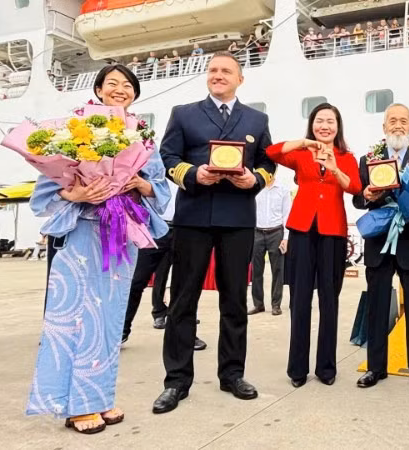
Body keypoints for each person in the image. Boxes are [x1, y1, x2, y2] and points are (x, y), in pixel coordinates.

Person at [26, 64, 171, 434]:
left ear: (134, 94)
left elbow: (161, 189)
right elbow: (45, 189)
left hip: (122, 234)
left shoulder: (142, 137)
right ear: (98, 90)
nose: (120, 90)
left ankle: (99, 397)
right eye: (112, 84)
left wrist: (138, 181)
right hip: (83, 233)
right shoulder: (75, 131)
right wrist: (77, 193)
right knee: (75, 315)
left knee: (108, 319)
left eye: (127, 85)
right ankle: (73, 405)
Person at [154, 51, 275, 414]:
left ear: (240, 79)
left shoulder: (257, 118)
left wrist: (256, 179)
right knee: (183, 300)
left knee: (235, 301)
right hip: (193, 216)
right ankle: (176, 381)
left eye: (226, 71)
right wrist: (193, 175)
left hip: (238, 218)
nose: (218, 75)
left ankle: (232, 374)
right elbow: (168, 157)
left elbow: (268, 162)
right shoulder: (184, 113)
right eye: (213, 71)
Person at [267, 103, 361, 388]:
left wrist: (333, 168)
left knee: (329, 300)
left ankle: (326, 367)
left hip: (333, 231)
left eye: (330, 121)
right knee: (299, 299)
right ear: (312, 125)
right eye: (319, 121)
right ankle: (297, 368)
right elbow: (272, 151)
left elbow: (354, 187)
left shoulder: (346, 157)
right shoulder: (301, 154)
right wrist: (307, 142)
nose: (325, 126)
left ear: (338, 126)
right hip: (302, 230)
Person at [353, 104, 409, 392]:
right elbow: (357, 198)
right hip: (379, 240)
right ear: (384, 127)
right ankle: (376, 367)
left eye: (404, 121)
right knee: (377, 306)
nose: (398, 126)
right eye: (393, 121)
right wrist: (366, 194)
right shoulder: (368, 159)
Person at [121, 183, 208, 350]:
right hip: (154, 227)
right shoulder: (154, 164)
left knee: (186, 284)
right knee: (136, 281)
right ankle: (120, 332)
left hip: (185, 227)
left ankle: (186, 336)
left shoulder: (188, 162)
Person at [249, 177, 291, 316]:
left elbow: (287, 215)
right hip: (257, 232)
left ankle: (276, 304)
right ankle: (258, 304)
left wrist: (285, 237)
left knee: (278, 270)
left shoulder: (283, 190)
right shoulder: (255, 187)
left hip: (276, 232)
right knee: (256, 271)